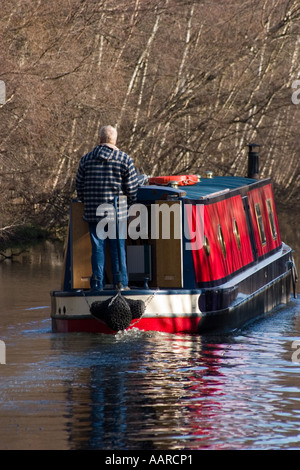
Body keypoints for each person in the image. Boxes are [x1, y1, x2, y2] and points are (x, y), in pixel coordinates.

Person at [75, 125, 138, 290]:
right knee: (118, 248)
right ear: (115, 140)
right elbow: (132, 189)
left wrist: (86, 201)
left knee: (97, 248)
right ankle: (121, 283)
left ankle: (97, 284)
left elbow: (79, 186)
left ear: (100, 139)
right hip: (116, 212)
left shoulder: (86, 159)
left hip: (93, 211)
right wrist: (129, 205)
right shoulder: (124, 159)